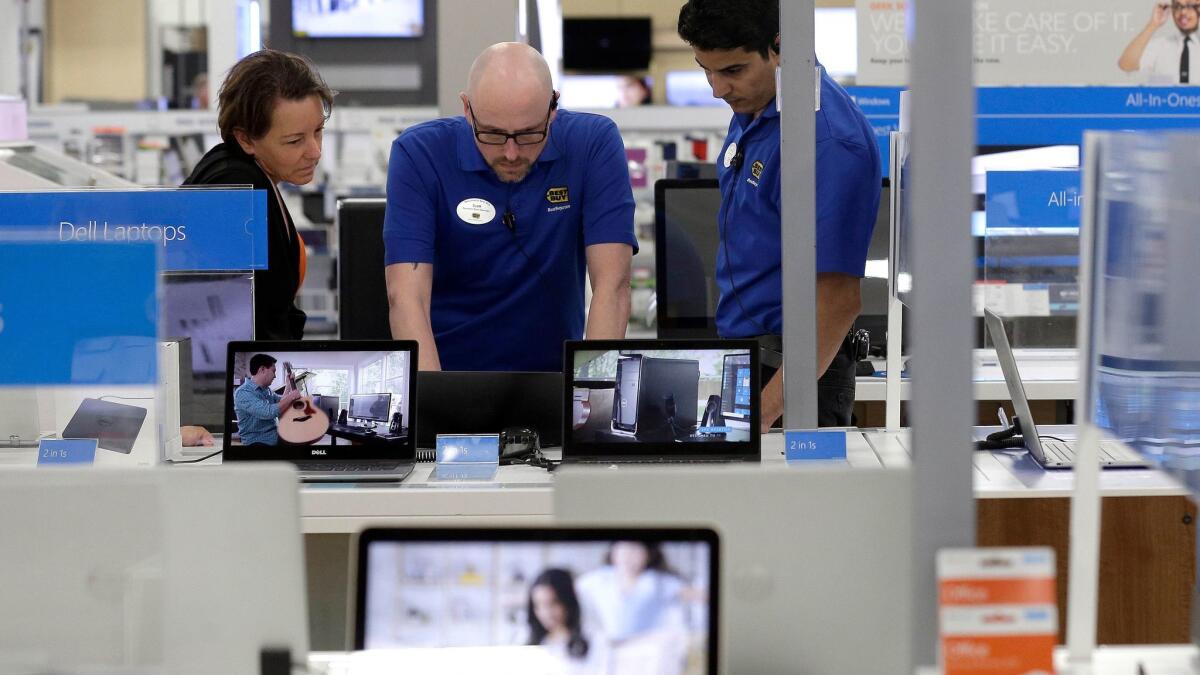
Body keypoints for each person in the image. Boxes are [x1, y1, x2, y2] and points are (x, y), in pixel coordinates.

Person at [677, 0, 881, 430]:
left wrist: (761, 414)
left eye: (732, 71)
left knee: (793, 499)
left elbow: (839, 301)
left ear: (780, 47)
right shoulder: (757, 106)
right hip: (748, 358)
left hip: (797, 373)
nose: (717, 89)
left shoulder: (826, 142)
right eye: (705, 70)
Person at [383, 42, 637, 372]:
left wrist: (585, 390)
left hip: (555, 379)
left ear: (552, 107)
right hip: (447, 373)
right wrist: (434, 400)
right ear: (467, 109)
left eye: (530, 134)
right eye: (492, 134)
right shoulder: (419, 154)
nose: (512, 153)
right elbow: (406, 298)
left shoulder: (593, 143)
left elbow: (612, 286)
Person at [183, 49, 335, 339]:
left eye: (318, 130)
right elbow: (230, 328)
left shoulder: (249, 177)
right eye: (294, 141)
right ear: (246, 139)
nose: (315, 151)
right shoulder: (234, 189)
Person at [574, 542, 691, 675]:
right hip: (611, 651)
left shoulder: (656, 581)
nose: (628, 556)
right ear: (613, 553)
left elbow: (692, 593)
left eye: (635, 551)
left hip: (647, 650)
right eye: (623, 551)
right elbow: (569, 590)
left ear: (648, 555)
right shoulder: (599, 578)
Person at [1119, 2, 1200, 84]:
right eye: (1177, 6)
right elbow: (1126, 64)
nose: (1183, 12)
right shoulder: (1161, 45)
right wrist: (1153, 24)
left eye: (1189, 6)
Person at [233, 353, 300, 446]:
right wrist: (291, 396)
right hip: (257, 442)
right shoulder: (243, 392)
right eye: (273, 371)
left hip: (274, 437)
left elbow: (281, 402)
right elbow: (268, 412)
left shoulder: (266, 390)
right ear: (263, 370)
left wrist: (288, 385)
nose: (275, 376)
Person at [527, 568, 590, 660]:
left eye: (553, 603)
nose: (546, 613)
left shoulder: (592, 642)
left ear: (568, 601)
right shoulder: (533, 644)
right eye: (538, 605)